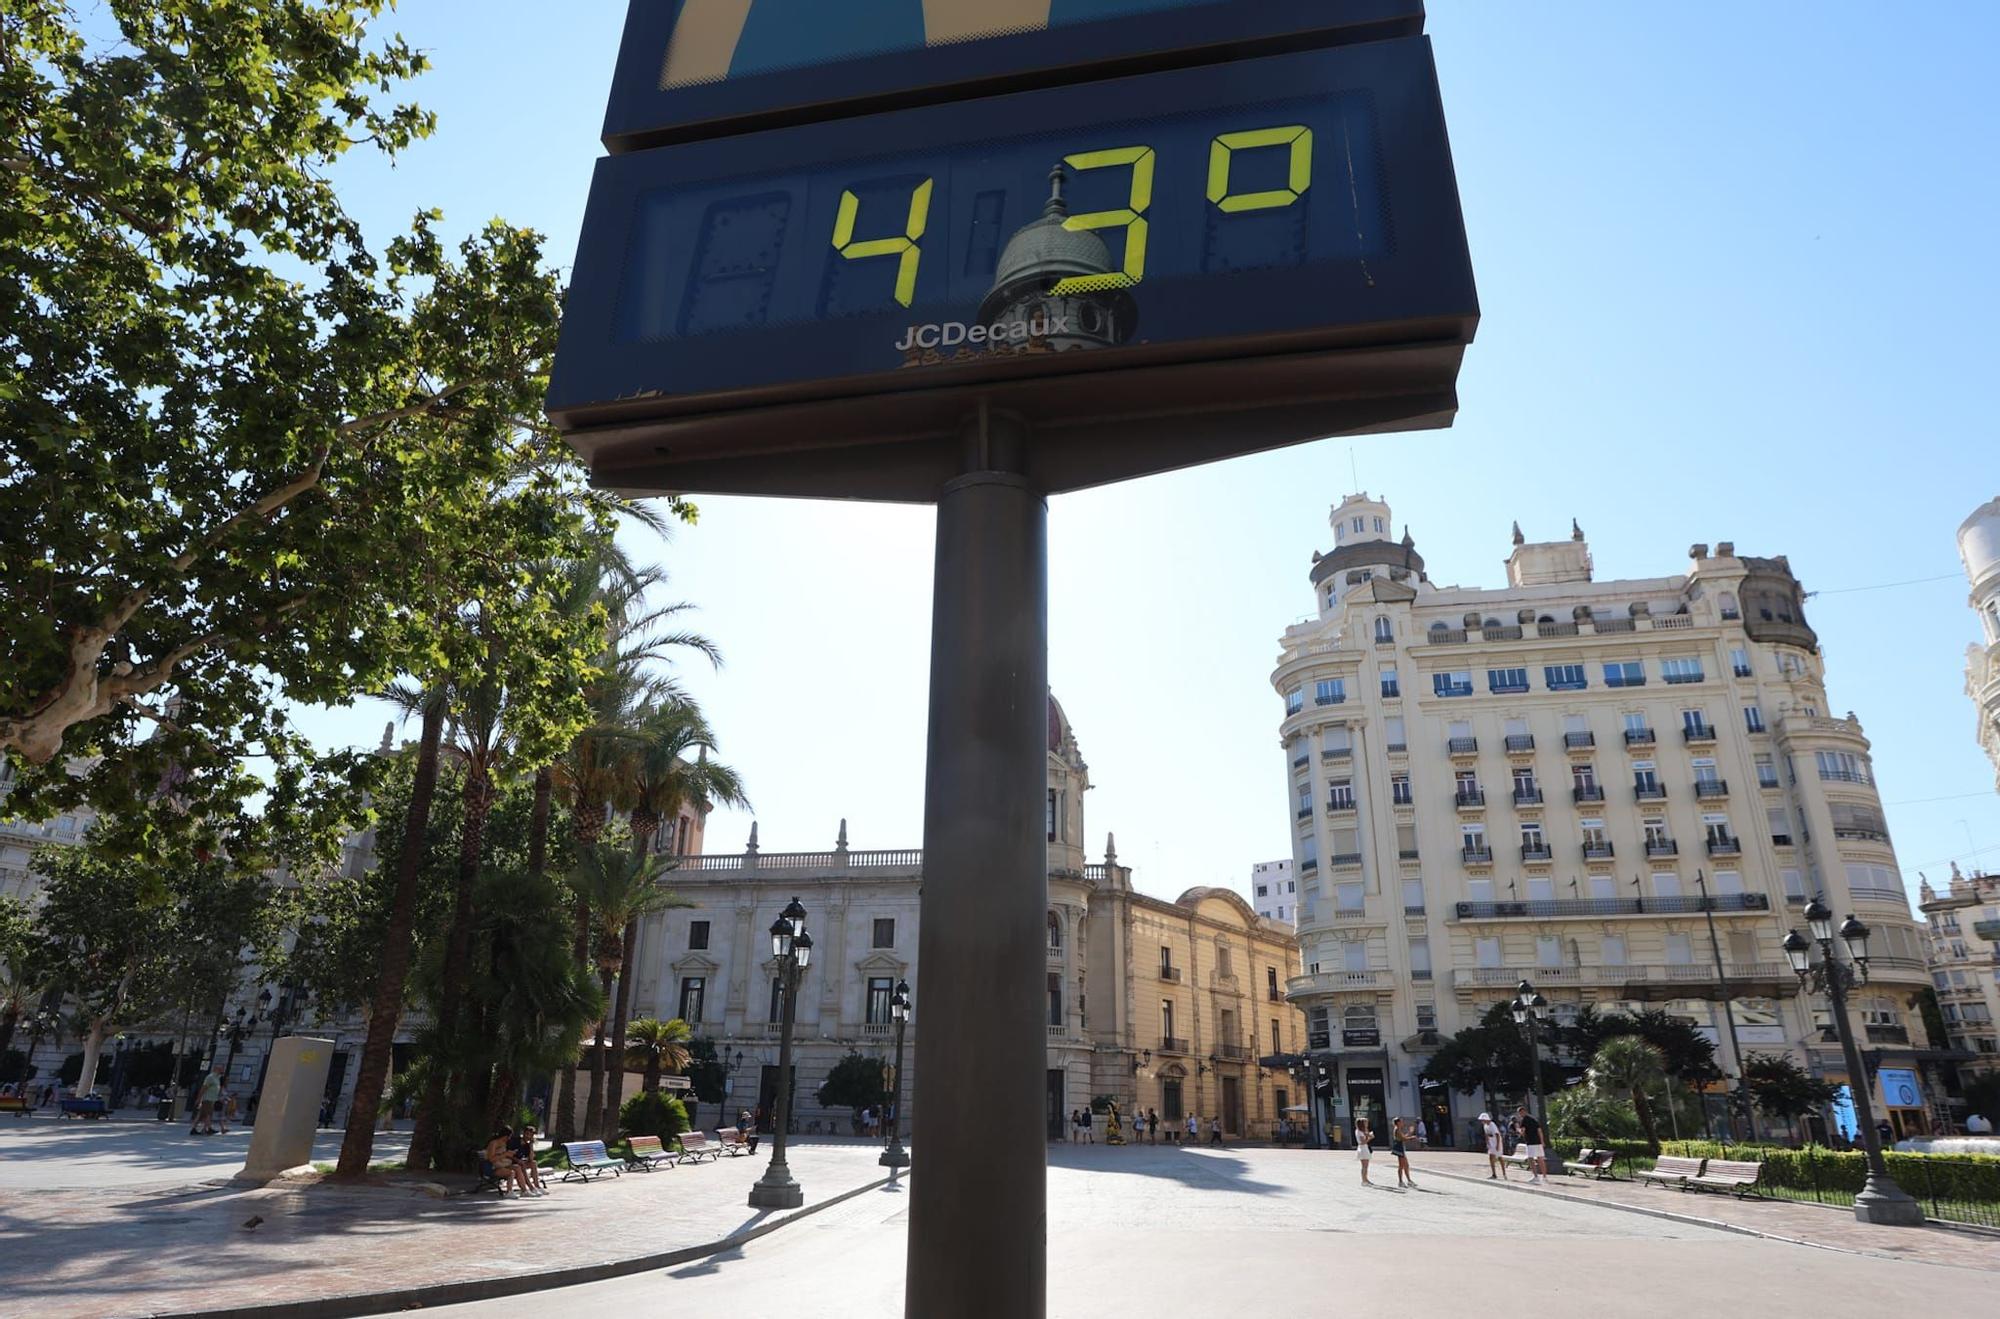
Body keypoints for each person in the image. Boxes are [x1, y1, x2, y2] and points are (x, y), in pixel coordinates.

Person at [483, 1126, 534, 1197]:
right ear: (506, 1136)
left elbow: (504, 1155)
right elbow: (491, 1159)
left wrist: (510, 1154)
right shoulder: (494, 1143)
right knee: (511, 1173)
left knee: (517, 1167)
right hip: (492, 1167)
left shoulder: (504, 1143)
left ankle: (524, 1190)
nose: (509, 1139)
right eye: (509, 1136)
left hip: (502, 1165)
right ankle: (509, 1191)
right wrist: (505, 1154)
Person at [509, 1124, 547, 1194]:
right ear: (523, 1133)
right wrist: (517, 1160)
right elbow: (508, 1154)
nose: (528, 1136)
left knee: (533, 1163)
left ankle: (537, 1186)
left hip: (520, 1163)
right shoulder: (515, 1141)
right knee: (522, 1164)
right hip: (511, 1163)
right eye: (527, 1134)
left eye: (531, 1135)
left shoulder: (527, 1145)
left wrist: (531, 1145)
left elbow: (531, 1159)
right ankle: (530, 1187)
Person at [1515, 1105, 1546, 1183]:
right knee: (1540, 1159)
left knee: (1531, 1159)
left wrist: (1518, 1129)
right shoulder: (1534, 1119)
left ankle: (1536, 1176)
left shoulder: (1524, 1120)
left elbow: (1522, 1132)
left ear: (1521, 1112)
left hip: (1530, 1142)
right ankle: (1544, 1177)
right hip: (1538, 1141)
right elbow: (1539, 1130)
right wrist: (1542, 1141)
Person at [190, 1068, 221, 1136]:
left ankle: (196, 1129)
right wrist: (199, 1098)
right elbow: (203, 1088)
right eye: (220, 1068)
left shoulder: (217, 1078)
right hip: (207, 1099)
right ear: (215, 1069)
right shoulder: (210, 1077)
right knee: (208, 1114)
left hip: (212, 1099)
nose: (222, 1070)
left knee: (202, 1114)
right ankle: (207, 1129)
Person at [1391, 1117, 1418, 1188]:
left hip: (1401, 1148)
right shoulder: (1397, 1129)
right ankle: (1400, 1182)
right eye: (1401, 1121)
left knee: (1406, 1165)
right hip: (1399, 1148)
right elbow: (1403, 1138)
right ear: (1398, 1123)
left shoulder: (1398, 1129)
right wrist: (1412, 1137)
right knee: (1401, 1166)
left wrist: (1410, 1133)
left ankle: (1409, 1181)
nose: (1403, 1122)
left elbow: (1403, 1137)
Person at [1479, 1111, 1505, 1179]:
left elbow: (1497, 1135)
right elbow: (1486, 1135)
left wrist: (1497, 1145)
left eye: (1483, 1120)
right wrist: (1487, 1143)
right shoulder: (1485, 1126)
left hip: (1496, 1142)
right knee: (1491, 1157)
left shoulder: (1492, 1124)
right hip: (1491, 1143)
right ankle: (1494, 1174)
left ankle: (1504, 1173)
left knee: (1499, 1157)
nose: (1482, 1121)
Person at [1354, 1116, 1375, 1186]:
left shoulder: (1361, 1131)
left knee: (1365, 1166)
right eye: (1365, 1123)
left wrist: (1368, 1133)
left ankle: (1366, 1179)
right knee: (1364, 1166)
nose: (1367, 1124)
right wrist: (1370, 1138)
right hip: (1363, 1148)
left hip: (1364, 1148)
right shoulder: (1359, 1132)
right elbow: (1363, 1142)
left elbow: (1367, 1135)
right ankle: (1364, 1180)